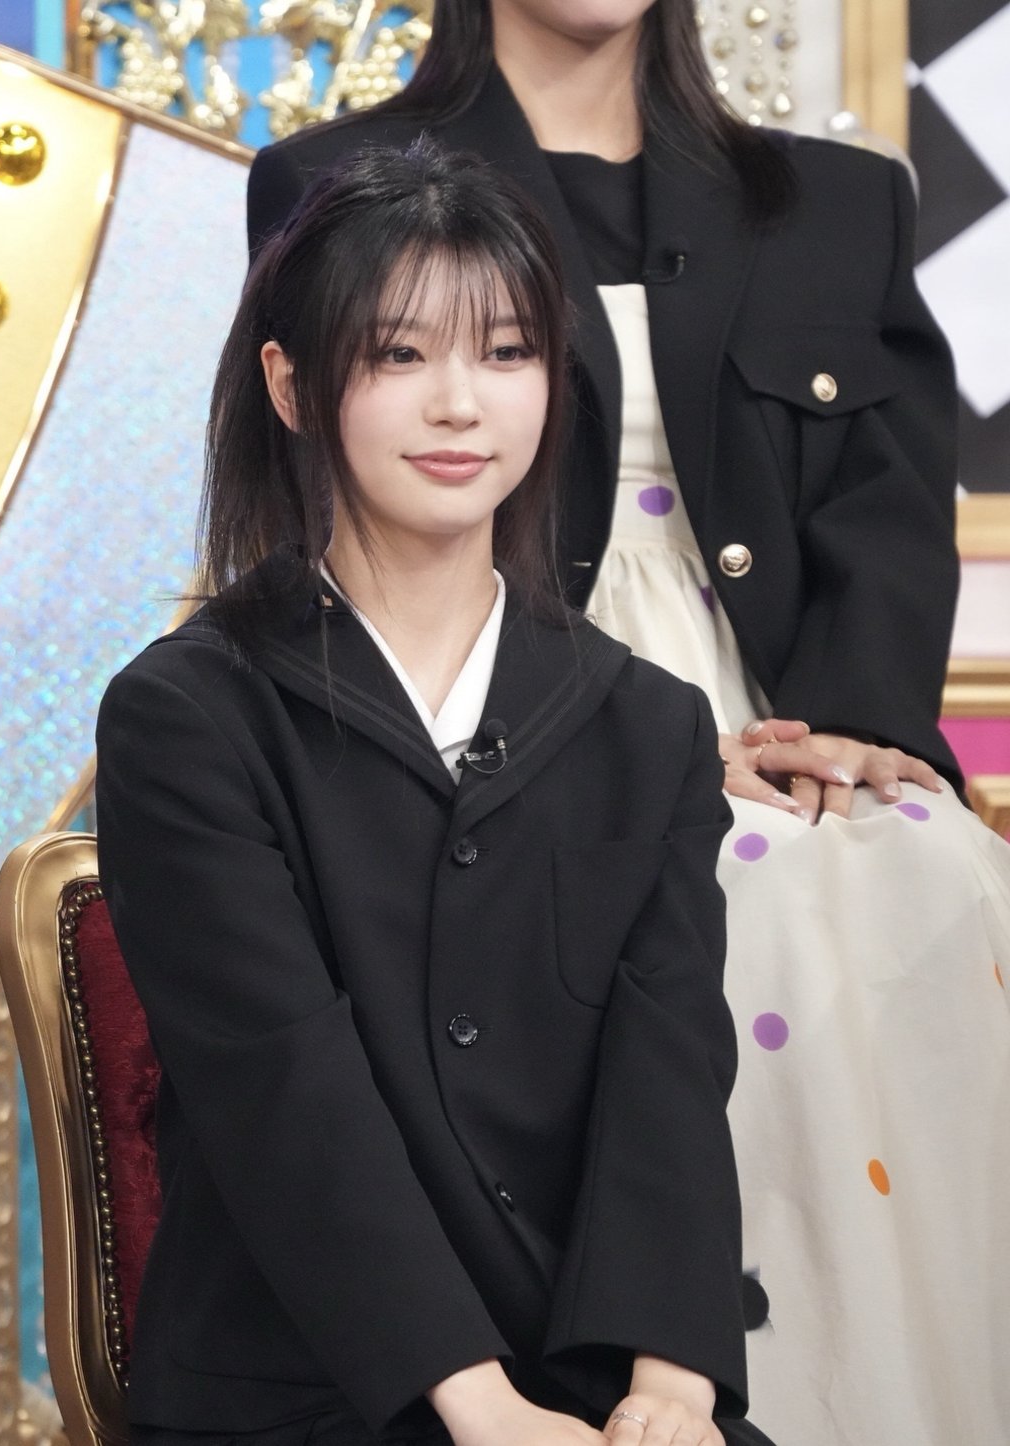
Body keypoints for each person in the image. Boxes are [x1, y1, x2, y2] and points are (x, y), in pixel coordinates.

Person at [247, 5, 1010, 1441]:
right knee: (725, 886)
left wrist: (846, 732)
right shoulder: (339, 182)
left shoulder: (842, 200)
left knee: (916, 872)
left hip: (787, 727)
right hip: (506, 725)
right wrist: (631, 754)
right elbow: (355, 528)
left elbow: (890, 515)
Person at [97, 140, 772, 1446]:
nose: (461, 404)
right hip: (309, 1385)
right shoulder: (187, 715)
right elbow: (283, 1091)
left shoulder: (650, 724)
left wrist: (670, 1385)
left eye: (507, 353)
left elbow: (669, 1075)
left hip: (587, 1366)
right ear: (291, 384)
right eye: (400, 354)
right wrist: (476, 1404)